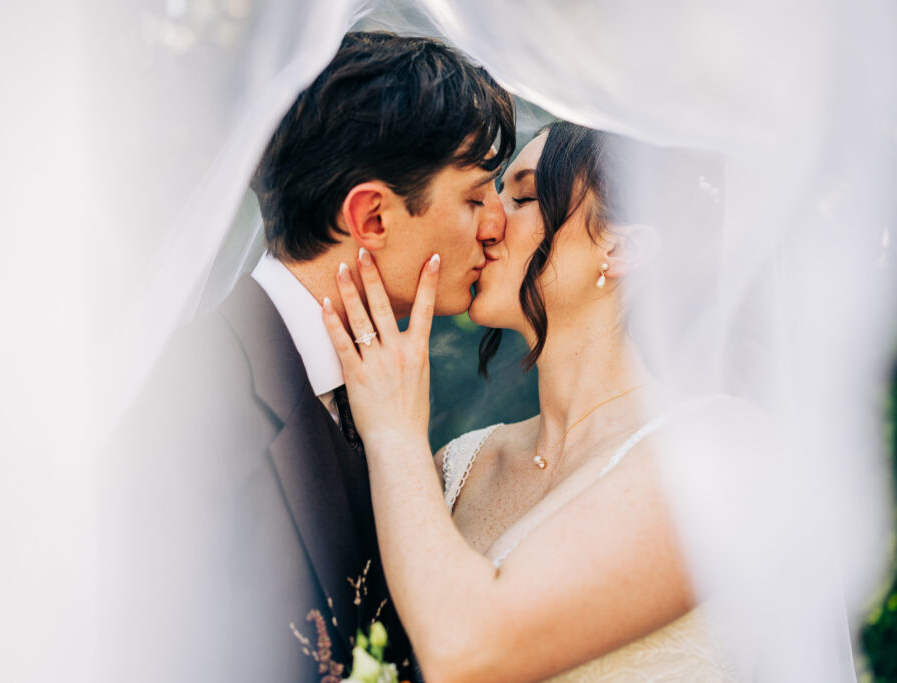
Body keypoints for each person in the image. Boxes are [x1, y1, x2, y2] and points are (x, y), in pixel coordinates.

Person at [98, 31, 515, 683]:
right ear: (372, 217)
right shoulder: (184, 400)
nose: (498, 224)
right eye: (474, 197)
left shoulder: (379, 400)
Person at [322, 121, 753, 681]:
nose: (488, 221)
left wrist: (396, 432)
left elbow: (465, 649)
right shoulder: (458, 467)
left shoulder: (713, 449)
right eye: (490, 195)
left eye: (523, 196)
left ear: (620, 248)